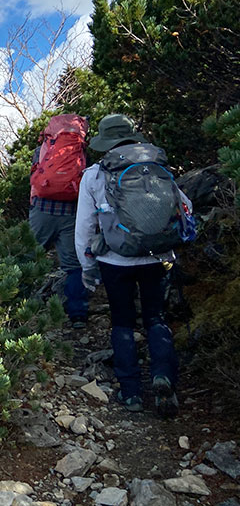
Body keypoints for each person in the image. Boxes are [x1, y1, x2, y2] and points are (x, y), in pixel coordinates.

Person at [75, 114, 192, 417]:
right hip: (158, 256)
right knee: (156, 318)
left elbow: (84, 227)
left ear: (105, 141)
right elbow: (185, 206)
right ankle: (163, 377)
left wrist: (87, 266)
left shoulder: (95, 174)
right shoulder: (157, 166)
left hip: (116, 260)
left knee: (123, 322)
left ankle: (131, 393)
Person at [29, 114, 89, 328]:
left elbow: (35, 179)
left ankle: (18, 306)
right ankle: (78, 314)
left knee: (30, 257)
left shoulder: (44, 148)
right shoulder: (80, 151)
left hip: (42, 209)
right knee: (73, 265)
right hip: (70, 212)